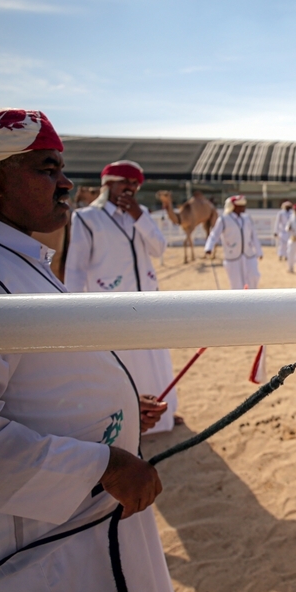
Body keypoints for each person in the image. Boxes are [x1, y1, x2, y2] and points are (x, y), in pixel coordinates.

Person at [0, 106, 175, 592]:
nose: (66, 184)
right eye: (48, 169)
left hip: (73, 534)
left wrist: (112, 409)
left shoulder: (0, 257)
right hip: (35, 558)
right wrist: (105, 466)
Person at [65, 160, 180, 432]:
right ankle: (128, 421)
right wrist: (70, 307)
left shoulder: (142, 215)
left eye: (134, 184)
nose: (130, 188)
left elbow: (159, 248)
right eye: (124, 182)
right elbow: (76, 267)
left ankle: (164, 413)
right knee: (124, 363)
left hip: (149, 303)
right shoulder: (86, 218)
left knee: (155, 361)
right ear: (107, 185)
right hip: (112, 306)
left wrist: (139, 217)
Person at [203, 195, 262, 290]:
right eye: (241, 205)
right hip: (232, 257)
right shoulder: (223, 219)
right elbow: (214, 235)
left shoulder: (247, 218)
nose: (244, 207)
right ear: (234, 207)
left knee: (254, 277)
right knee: (236, 283)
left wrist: (259, 252)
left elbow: (253, 236)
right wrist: (209, 247)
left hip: (249, 255)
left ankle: (252, 298)